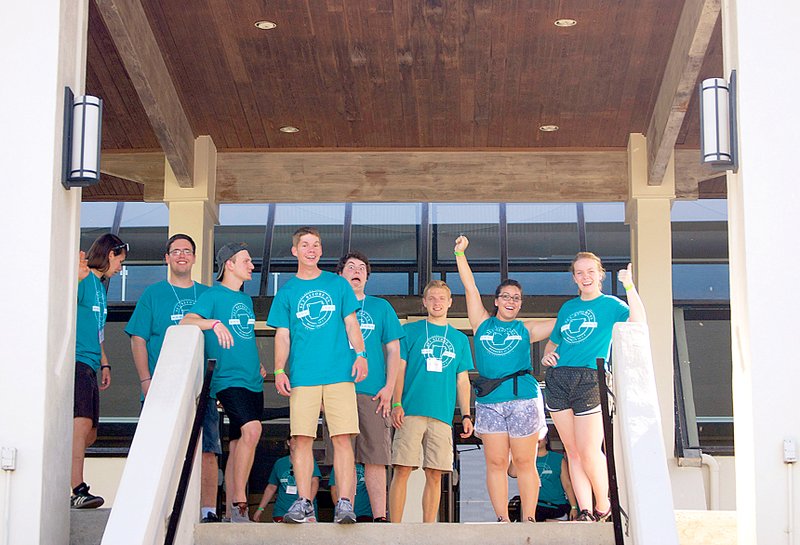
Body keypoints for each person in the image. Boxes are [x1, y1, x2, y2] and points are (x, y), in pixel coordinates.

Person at [266, 227, 368, 524]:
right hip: (303, 377)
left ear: (321, 251)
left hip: (339, 373)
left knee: (342, 440)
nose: (312, 249)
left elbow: (351, 324)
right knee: (300, 440)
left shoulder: (338, 284)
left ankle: (345, 503)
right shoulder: (286, 292)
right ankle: (303, 502)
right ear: (295, 251)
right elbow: (282, 336)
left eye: (317, 245)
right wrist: (279, 370)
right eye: (305, 245)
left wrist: (361, 355)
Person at [453, 235, 555, 523]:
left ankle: (530, 519)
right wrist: (460, 254)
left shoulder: (525, 329)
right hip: (489, 403)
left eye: (516, 298)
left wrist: (553, 347)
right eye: (506, 296)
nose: (511, 301)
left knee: (524, 462)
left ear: (520, 304)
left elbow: (563, 323)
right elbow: (470, 287)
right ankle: (502, 519)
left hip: (522, 399)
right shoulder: (482, 322)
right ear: (496, 301)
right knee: (496, 463)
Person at [541, 253, 646, 522]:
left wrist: (629, 286)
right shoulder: (567, 308)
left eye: (590, 271)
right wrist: (547, 356)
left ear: (600, 274)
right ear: (574, 277)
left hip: (590, 378)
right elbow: (554, 343)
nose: (585, 276)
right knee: (572, 450)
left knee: (589, 449)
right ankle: (585, 510)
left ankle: (603, 504)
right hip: (559, 378)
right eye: (579, 272)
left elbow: (638, 321)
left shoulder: (611, 305)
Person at [125, 234, 222, 523]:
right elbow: (138, 339)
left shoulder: (208, 294)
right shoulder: (153, 294)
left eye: (187, 251)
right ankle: (154, 510)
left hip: (202, 389)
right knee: (158, 451)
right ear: (166, 258)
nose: (182, 255)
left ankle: (208, 511)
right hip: (161, 389)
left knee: (208, 450)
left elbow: (221, 338)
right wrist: (146, 380)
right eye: (175, 251)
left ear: (194, 257)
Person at [181, 242, 265, 523]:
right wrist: (214, 323)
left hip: (253, 380)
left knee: (242, 441)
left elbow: (244, 336)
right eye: (247, 260)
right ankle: (241, 504)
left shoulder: (246, 300)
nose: (252, 266)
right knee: (252, 431)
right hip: (228, 380)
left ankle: (231, 509)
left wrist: (258, 363)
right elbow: (187, 321)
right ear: (229, 264)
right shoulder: (212, 295)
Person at [388, 280, 474, 523]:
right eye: (432, 298)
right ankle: (394, 527)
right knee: (402, 468)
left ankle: (429, 529)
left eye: (441, 298)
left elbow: (462, 380)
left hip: (442, 415)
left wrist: (466, 415)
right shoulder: (410, 331)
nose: (437, 303)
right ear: (425, 302)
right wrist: (396, 403)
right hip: (411, 410)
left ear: (450, 303)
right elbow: (399, 370)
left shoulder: (458, 338)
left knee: (435, 473)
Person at [335, 251, 404, 522]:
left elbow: (394, 350)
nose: (356, 271)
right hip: (338, 390)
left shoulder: (381, 307)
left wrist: (389, 387)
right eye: (350, 267)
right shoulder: (333, 307)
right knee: (344, 456)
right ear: (341, 274)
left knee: (376, 457)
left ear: (367, 276)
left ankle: (379, 517)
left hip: (374, 391)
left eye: (362, 268)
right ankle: (345, 511)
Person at [71, 234, 127, 509]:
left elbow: (99, 330)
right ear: (109, 254)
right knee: (80, 426)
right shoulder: (83, 280)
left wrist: (105, 362)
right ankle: (77, 489)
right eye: (120, 261)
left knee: (91, 432)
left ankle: (69, 481)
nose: (121, 268)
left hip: (92, 363)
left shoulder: (102, 289)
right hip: (76, 361)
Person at [508, 436, 577, 522]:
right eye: (535, 436)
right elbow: (512, 473)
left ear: (546, 440)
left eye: (541, 436)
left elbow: (567, 485)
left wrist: (574, 507)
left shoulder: (558, 459)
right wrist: (518, 451)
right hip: (535, 506)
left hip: (557, 505)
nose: (538, 439)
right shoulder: (526, 457)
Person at [253, 437, 321, 522]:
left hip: (305, 513)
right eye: (295, 438)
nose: (297, 442)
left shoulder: (309, 461)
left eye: (300, 440)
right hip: (282, 511)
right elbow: (271, 487)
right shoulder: (280, 463)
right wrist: (260, 509)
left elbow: (314, 482)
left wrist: (307, 505)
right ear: (288, 442)